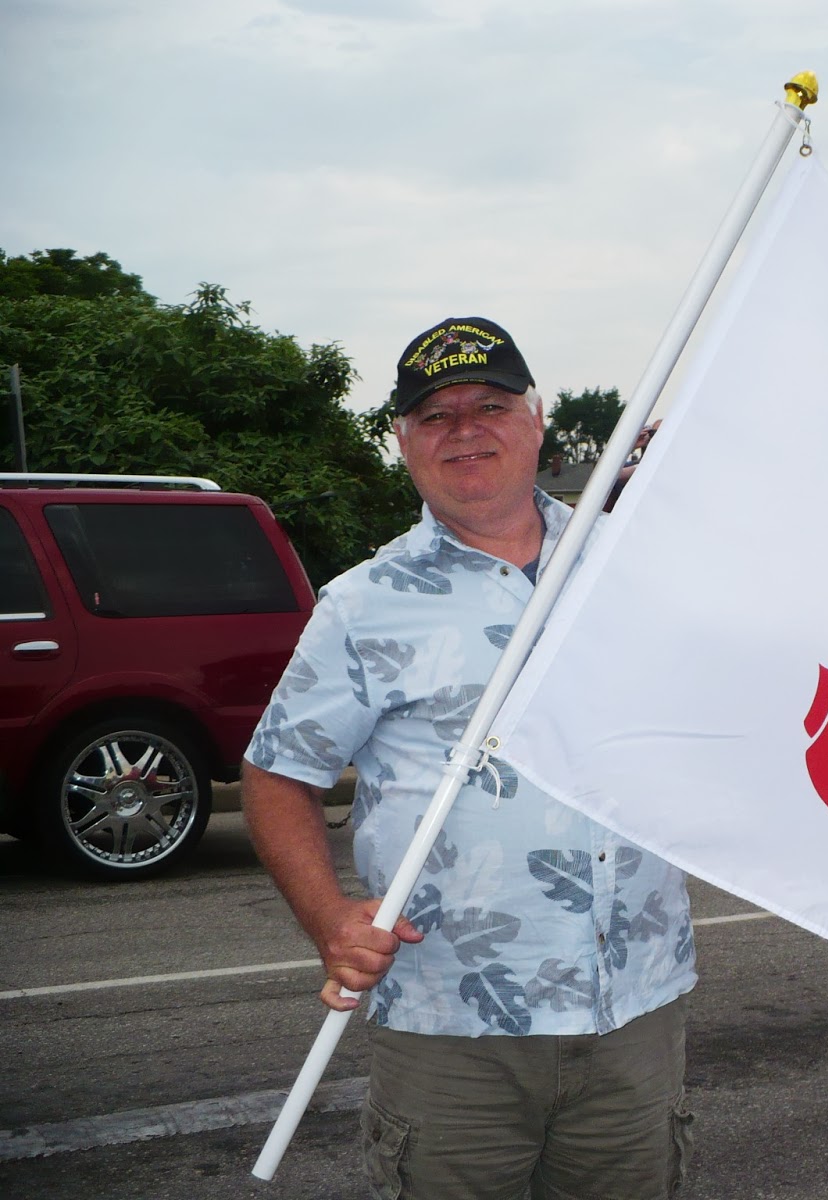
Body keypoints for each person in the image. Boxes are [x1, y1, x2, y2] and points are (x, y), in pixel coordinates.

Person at [241, 317, 696, 1199]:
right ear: (403, 440)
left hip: (636, 1006)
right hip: (449, 1022)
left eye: (490, 405)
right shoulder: (364, 604)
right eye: (436, 415)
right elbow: (277, 774)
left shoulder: (632, 568)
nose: (465, 430)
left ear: (537, 418)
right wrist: (330, 921)